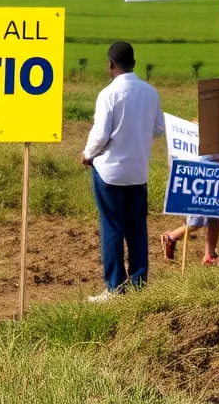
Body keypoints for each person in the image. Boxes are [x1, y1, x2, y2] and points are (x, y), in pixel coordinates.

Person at [81, 41, 165, 302]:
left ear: (110, 64)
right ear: (134, 64)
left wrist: (87, 154)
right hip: (138, 171)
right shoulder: (150, 92)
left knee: (112, 228)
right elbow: (159, 129)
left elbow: (101, 134)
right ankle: (139, 286)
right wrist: (137, 137)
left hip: (110, 173)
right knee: (137, 229)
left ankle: (115, 288)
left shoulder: (109, 94)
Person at [161, 148, 219, 267]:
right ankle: (171, 236)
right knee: (199, 218)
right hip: (206, 165)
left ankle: (210, 255)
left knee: (217, 214)